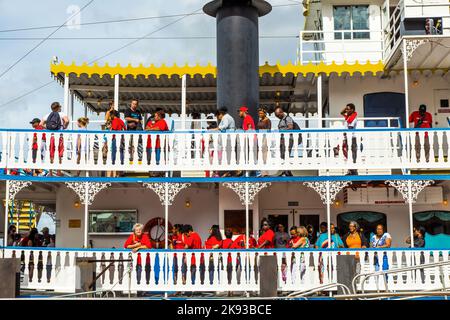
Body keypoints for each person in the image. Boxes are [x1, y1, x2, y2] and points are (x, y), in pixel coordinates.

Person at [40, 102, 69, 166]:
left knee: (51, 153)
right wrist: (64, 126)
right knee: (59, 153)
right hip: (59, 136)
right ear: (58, 107)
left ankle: (51, 172)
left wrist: (48, 128)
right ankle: (58, 171)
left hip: (51, 137)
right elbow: (67, 121)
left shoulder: (47, 115)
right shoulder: (61, 114)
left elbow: (41, 124)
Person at [274, 106, 301, 176]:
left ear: (281, 112)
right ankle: (286, 170)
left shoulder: (287, 118)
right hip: (283, 139)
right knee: (282, 155)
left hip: (289, 139)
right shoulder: (281, 120)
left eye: (278, 115)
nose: (277, 117)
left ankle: (287, 171)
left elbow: (290, 127)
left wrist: (281, 131)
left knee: (286, 154)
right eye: (276, 116)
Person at [338, 103, 358, 175]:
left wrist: (345, 133)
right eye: (346, 109)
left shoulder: (353, 118)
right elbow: (341, 112)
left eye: (348, 109)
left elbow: (350, 128)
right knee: (347, 152)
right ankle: (350, 170)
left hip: (352, 138)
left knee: (353, 153)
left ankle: (354, 171)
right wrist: (346, 108)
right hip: (347, 138)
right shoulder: (348, 117)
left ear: (352, 110)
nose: (347, 110)